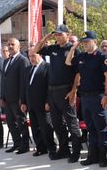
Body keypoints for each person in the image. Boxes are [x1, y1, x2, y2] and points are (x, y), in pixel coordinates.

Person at [31, 24, 82, 162]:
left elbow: (78, 73)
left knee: (71, 123)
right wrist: (47, 36)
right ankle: (64, 150)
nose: (58, 36)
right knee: (57, 124)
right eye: (56, 34)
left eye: (60, 34)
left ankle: (76, 152)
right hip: (52, 91)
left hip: (66, 90)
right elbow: (35, 50)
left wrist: (73, 91)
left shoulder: (72, 50)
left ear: (68, 34)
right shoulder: (53, 48)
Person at [66, 31, 107, 167]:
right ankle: (93, 156)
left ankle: (103, 157)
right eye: (84, 42)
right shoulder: (82, 57)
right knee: (90, 128)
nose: (85, 44)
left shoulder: (102, 57)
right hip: (85, 97)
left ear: (95, 42)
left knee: (101, 128)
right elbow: (68, 62)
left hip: (98, 96)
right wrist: (73, 48)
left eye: (88, 42)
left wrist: (106, 95)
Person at [20, 53, 56, 157]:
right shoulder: (28, 69)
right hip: (31, 103)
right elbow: (25, 87)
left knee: (46, 127)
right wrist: (23, 102)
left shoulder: (47, 67)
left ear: (40, 55)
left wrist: (48, 101)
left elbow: (50, 86)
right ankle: (41, 148)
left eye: (33, 56)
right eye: (29, 56)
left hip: (42, 103)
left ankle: (51, 147)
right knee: (35, 128)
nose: (31, 58)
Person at [1, 38, 31, 153]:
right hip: (7, 99)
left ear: (19, 47)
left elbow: (24, 82)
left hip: (17, 99)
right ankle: (16, 143)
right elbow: (4, 80)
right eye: (8, 44)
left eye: (12, 44)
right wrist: (2, 96)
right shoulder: (6, 61)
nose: (10, 46)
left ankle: (25, 145)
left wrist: (22, 99)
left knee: (21, 122)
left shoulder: (22, 60)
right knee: (10, 123)